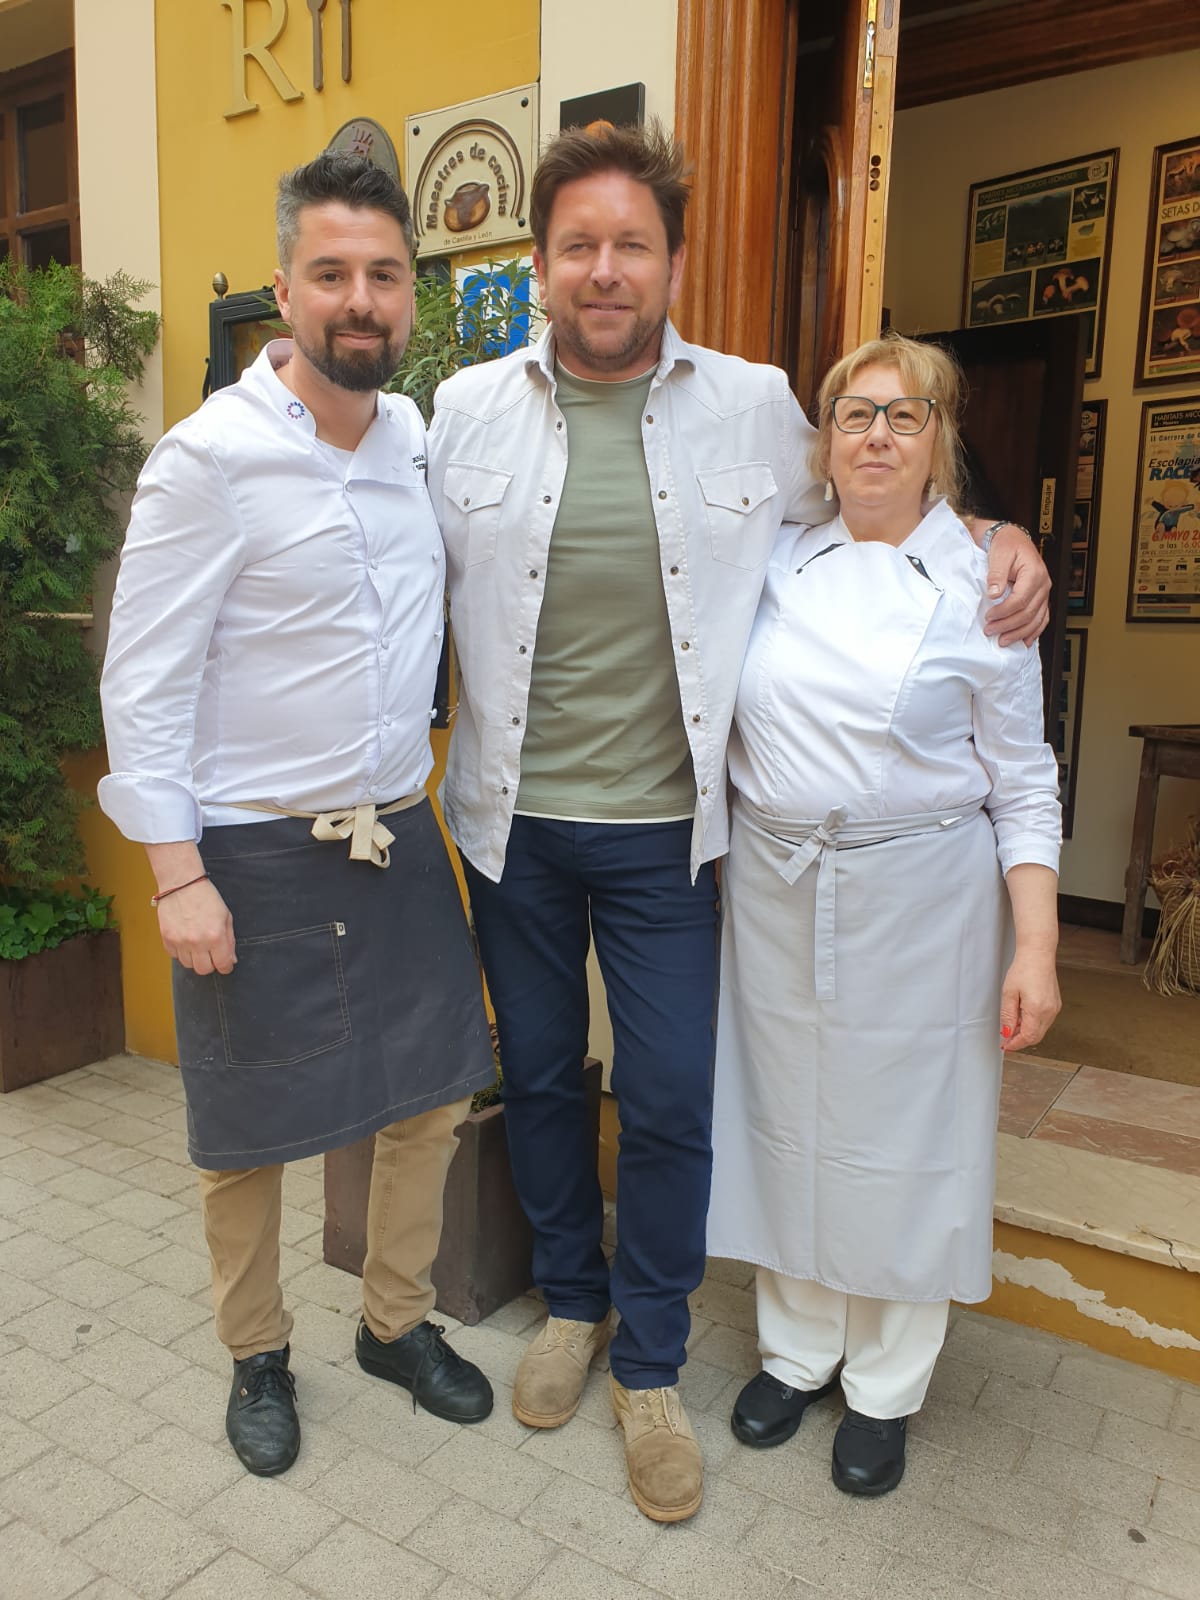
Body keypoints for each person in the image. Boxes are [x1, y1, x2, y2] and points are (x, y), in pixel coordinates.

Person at [426, 120, 1049, 1524]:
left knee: (669, 1098)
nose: (604, 270)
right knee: (536, 1077)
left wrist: (1009, 543)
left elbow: (885, 485)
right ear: (539, 262)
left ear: (673, 261)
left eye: (630, 244)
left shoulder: (757, 403)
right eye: (578, 244)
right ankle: (571, 1309)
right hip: (510, 824)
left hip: (669, 837)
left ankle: (651, 1363)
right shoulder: (461, 412)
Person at [98, 152, 496, 1478]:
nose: (360, 299)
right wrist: (175, 874)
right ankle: (257, 1352)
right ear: (286, 289)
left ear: (408, 291)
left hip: (395, 827)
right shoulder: (206, 461)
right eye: (332, 274)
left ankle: (394, 1321)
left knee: (430, 1098)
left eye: (384, 274)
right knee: (248, 1130)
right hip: (251, 850)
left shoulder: (420, 440)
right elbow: (141, 682)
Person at [707, 333, 1063, 1497]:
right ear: (824, 437)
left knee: (906, 1142)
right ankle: (797, 1350)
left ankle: (885, 1386)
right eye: (853, 414)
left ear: (939, 442)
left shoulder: (983, 583)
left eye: (903, 418)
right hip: (774, 885)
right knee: (786, 1117)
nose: (874, 436)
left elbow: (1022, 780)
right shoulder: (774, 556)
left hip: (926, 899)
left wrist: (1041, 947)